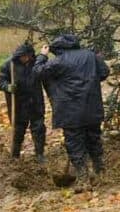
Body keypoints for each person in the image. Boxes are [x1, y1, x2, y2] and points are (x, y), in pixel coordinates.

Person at [34, 34, 110, 191]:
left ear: (58, 49)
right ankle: (100, 171)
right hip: (92, 107)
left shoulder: (58, 61)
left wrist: (42, 56)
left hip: (70, 111)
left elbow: (37, 73)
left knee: (75, 143)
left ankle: (83, 178)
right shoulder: (90, 55)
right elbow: (104, 72)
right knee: (94, 139)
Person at [0, 42, 47, 163]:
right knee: (18, 130)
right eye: (24, 56)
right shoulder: (9, 65)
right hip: (18, 104)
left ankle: (39, 154)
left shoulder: (35, 63)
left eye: (28, 56)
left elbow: (44, 67)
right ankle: (15, 155)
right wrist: (7, 87)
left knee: (38, 128)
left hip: (35, 101)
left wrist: (43, 55)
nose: (26, 59)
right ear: (19, 56)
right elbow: (1, 81)